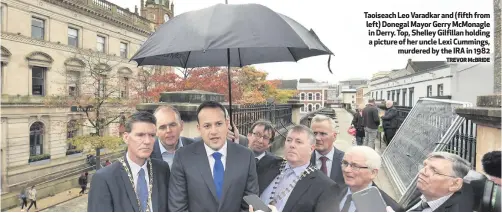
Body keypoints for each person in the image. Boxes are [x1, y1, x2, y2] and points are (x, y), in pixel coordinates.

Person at [168, 101, 259, 212]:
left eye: (218, 124)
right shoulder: (183, 157)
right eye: (207, 126)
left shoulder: (246, 156)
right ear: (199, 128)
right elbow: (178, 207)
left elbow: (250, 205)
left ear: (227, 123)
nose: (214, 131)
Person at [88, 111, 170, 212]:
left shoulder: (162, 169)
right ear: (126, 138)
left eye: (152, 135)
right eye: (140, 135)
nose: (147, 141)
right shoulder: (105, 178)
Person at [259, 125, 340, 212]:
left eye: (299, 142)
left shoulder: (325, 186)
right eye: (289, 140)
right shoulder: (268, 164)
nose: (292, 145)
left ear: (311, 148)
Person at [319, 146, 402, 211]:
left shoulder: (389, 207)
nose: (347, 170)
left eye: (355, 166)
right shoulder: (334, 190)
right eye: (345, 163)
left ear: (373, 173)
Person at [387, 152, 474, 212]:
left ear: (455, 184)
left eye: (434, 170)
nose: (422, 172)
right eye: (425, 166)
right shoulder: (423, 190)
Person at [309, 114, 345, 185]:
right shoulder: (304, 160)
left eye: (323, 134)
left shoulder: (345, 160)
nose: (317, 138)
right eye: (314, 133)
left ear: (334, 136)